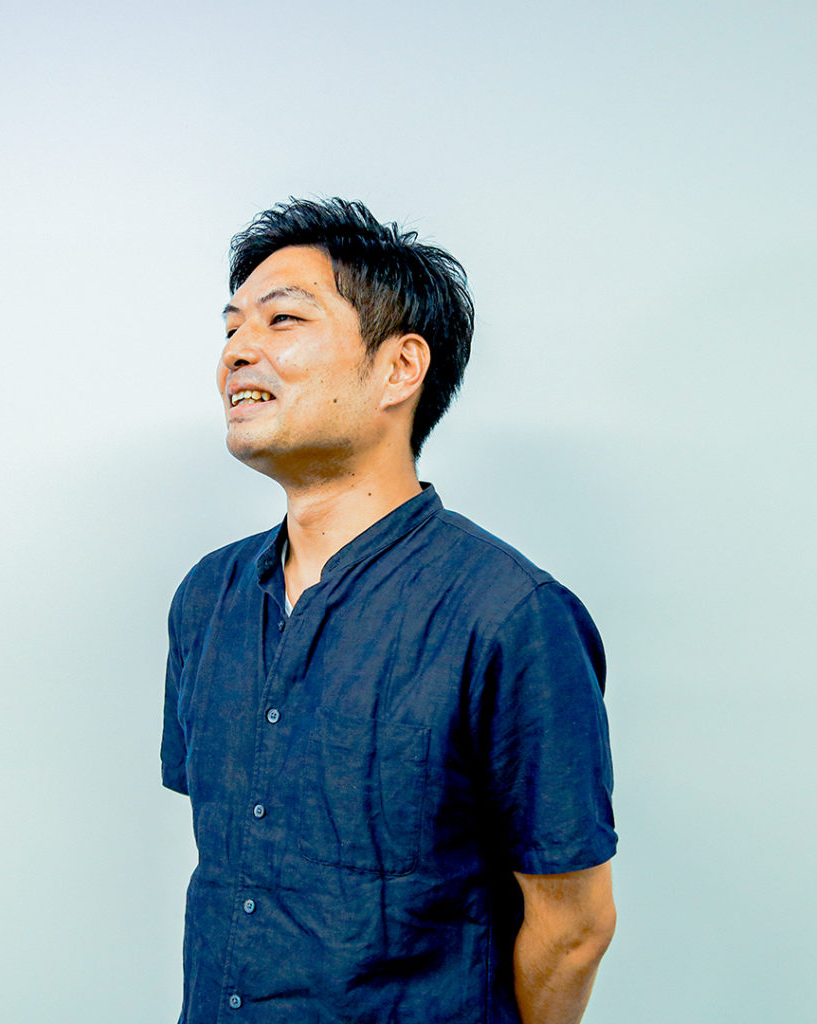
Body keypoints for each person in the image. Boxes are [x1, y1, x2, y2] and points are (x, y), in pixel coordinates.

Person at [161, 198, 617, 1024]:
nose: (237, 351)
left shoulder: (510, 615)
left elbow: (574, 928)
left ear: (400, 368)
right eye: (231, 328)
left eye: (282, 319)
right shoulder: (207, 598)